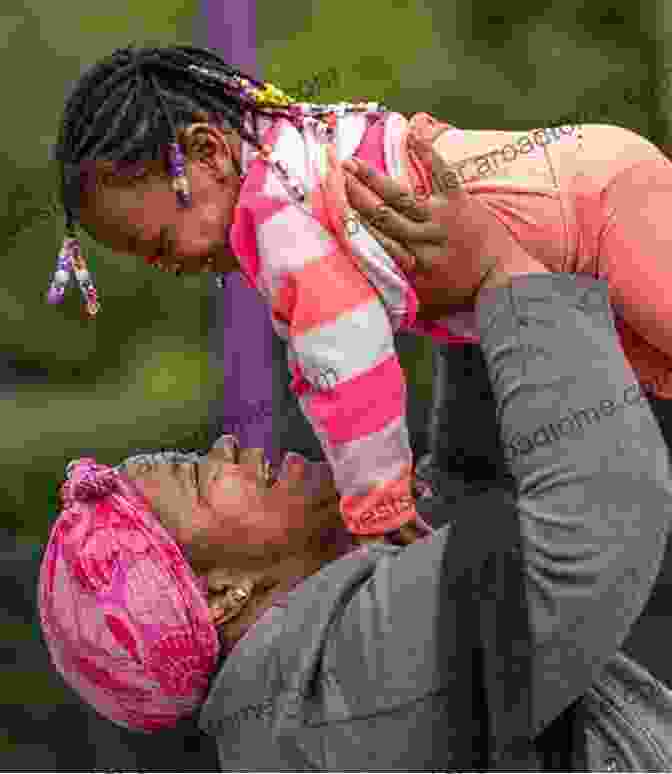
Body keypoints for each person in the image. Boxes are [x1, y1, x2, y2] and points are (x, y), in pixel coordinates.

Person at [39, 175, 672, 771]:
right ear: (221, 594)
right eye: (202, 479)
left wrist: (456, 308)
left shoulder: (306, 688)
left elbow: (471, 508)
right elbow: (589, 529)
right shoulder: (338, 697)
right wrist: (497, 274)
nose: (228, 448)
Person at [49, 44, 672, 553]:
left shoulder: (278, 215)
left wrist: (378, 500)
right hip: (583, 218)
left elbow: (345, 355)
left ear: (207, 152)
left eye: (160, 242)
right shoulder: (289, 159)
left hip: (596, 208)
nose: (171, 264)